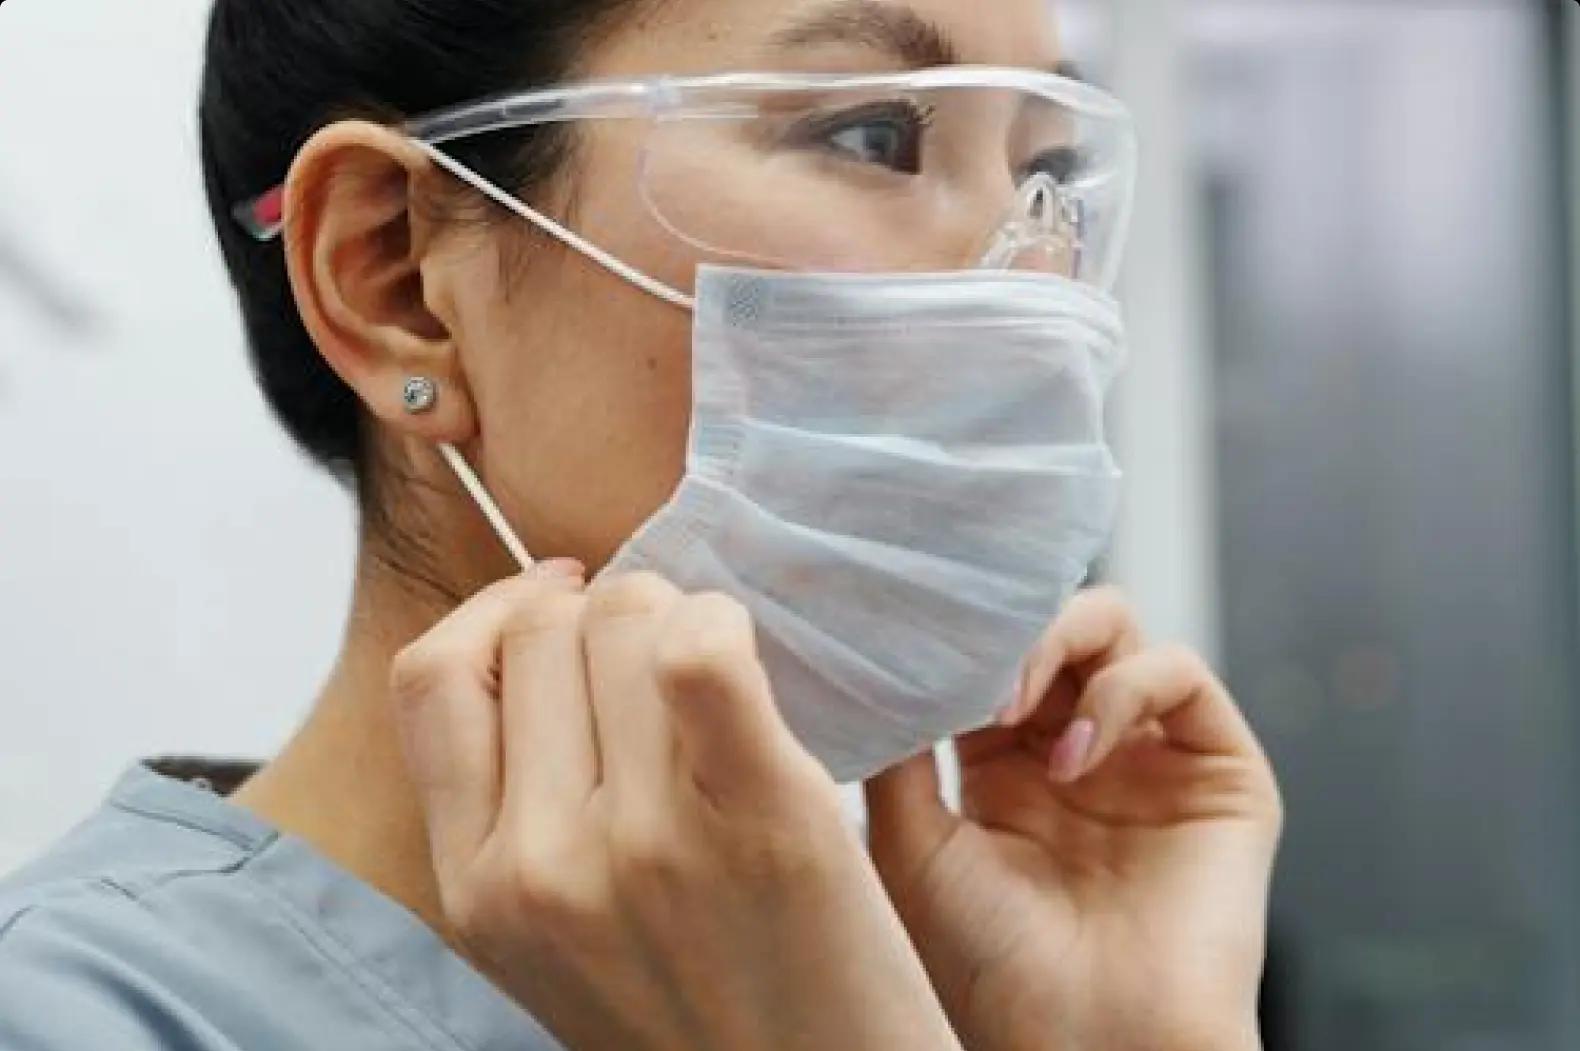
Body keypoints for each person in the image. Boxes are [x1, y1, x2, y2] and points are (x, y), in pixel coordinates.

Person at [0, 0, 1284, 1048]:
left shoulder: (945, 963)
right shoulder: (79, 1015)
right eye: (873, 136)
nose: (1026, 283)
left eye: (1045, 172)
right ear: (396, 274)